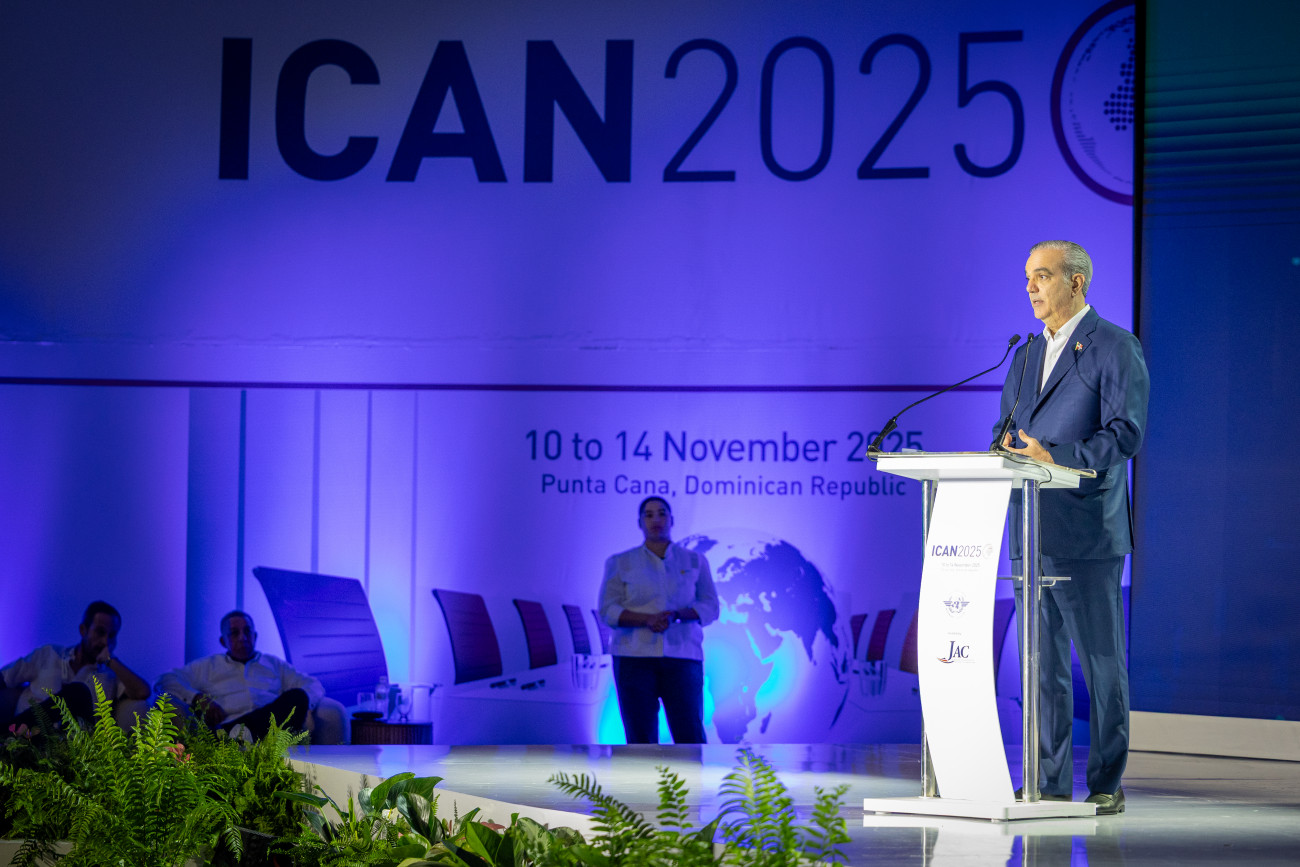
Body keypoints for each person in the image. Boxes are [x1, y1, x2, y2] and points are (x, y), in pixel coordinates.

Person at [996, 240, 1149, 815]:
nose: (1031, 288)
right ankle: (1046, 779)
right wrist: (1004, 452)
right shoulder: (1026, 354)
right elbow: (1006, 430)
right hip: (1031, 529)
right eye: (1027, 278)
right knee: (1041, 667)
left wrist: (1055, 457)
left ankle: (1107, 781)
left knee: (1101, 664)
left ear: (1075, 282)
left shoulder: (1115, 346)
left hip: (1087, 532)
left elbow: (1125, 433)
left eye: (1042, 276)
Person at [598, 496, 719, 744]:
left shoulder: (694, 560)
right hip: (633, 658)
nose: (656, 520)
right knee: (640, 738)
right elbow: (608, 609)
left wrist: (676, 615)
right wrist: (647, 620)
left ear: (672, 520)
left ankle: (692, 772)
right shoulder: (620, 562)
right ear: (639, 523)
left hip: (683, 656)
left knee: (690, 735)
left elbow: (710, 606)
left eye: (662, 513)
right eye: (649, 515)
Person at [155, 610, 324, 740]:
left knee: (298, 696)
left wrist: (306, 708)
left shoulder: (273, 664)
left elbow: (313, 685)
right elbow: (164, 680)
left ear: (255, 636)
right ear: (223, 641)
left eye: (247, 631)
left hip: (271, 726)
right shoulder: (207, 666)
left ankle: (252, 738)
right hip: (229, 728)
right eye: (234, 633)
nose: (242, 638)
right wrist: (197, 698)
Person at [1, 600, 151, 728]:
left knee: (78, 693)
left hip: (73, 746)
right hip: (29, 737)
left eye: (112, 636)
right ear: (83, 630)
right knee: (75, 692)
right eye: (100, 632)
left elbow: (142, 692)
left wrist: (111, 661)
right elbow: (5, 676)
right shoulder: (49, 654)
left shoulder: (110, 675)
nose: (105, 642)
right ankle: (6, 736)